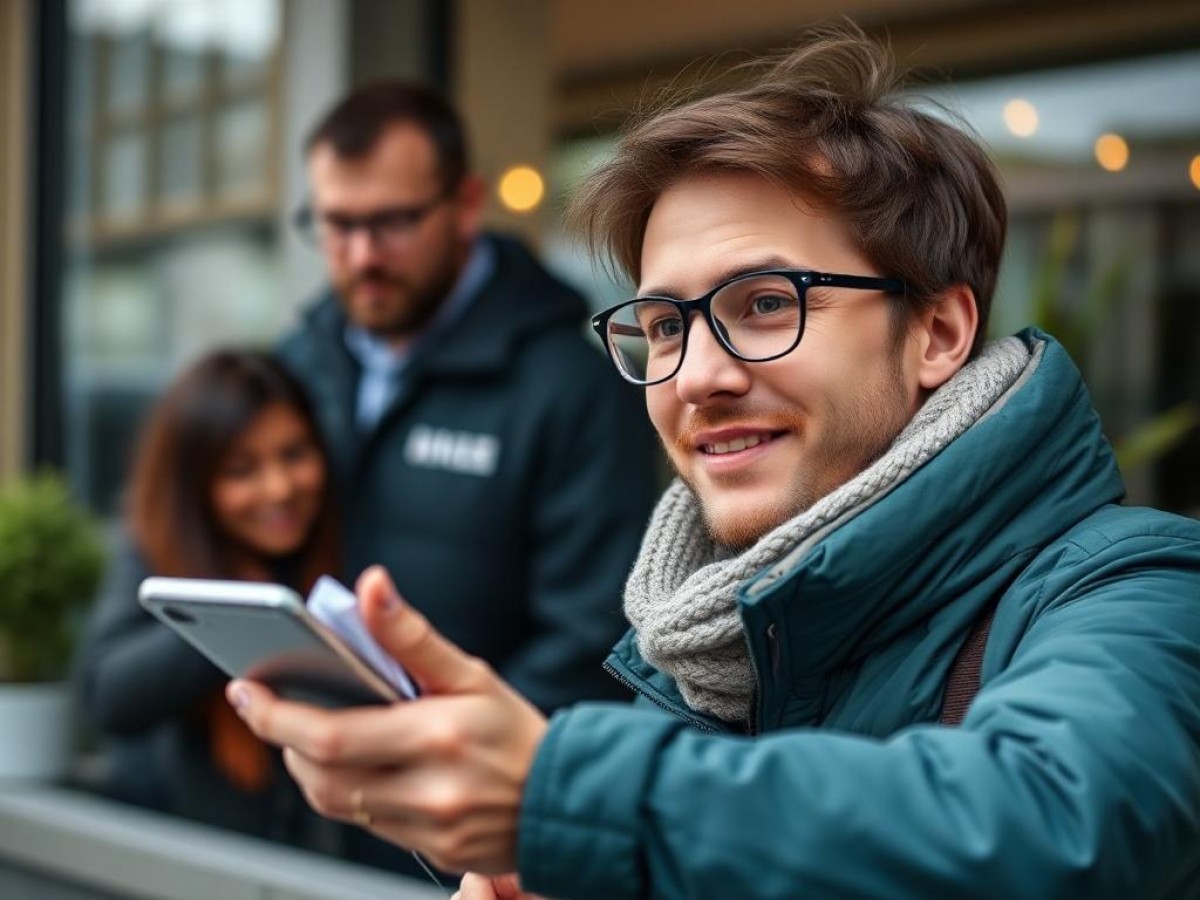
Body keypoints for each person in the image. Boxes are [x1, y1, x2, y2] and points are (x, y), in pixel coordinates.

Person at [230, 26, 1200, 899]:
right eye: (663, 325)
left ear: (938, 332)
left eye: (766, 304)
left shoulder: (1138, 582)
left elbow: (1057, 829)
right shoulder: (703, 641)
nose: (697, 376)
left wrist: (564, 796)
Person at [278, 80, 658, 718]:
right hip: (306, 773)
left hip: (471, 789)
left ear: (466, 206)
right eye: (338, 224)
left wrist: (447, 750)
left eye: (394, 221)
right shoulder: (299, 362)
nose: (363, 255)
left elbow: (593, 638)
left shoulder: (572, 389)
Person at [75, 350, 344, 848]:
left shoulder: (340, 553)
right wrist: (236, 613)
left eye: (294, 455)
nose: (279, 488)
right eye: (242, 470)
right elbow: (108, 693)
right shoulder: (155, 546)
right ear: (195, 486)